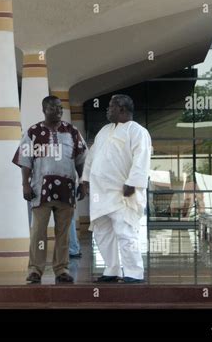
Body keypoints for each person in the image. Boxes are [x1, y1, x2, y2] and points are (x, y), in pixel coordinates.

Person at [13, 95, 87, 284]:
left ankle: (61, 269)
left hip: (67, 189)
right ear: (44, 109)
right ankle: (35, 270)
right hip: (40, 190)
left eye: (60, 108)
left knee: (63, 233)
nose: (59, 111)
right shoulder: (34, 132)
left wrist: (84, 183)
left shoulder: (72, 131)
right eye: (54, 108)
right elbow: (25, 161)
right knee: (38, 231)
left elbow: (81, 160)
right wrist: (25, 184)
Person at [81, 94, 151, 284]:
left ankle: (133, 273)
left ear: (121, 109)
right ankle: (112, 270)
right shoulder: (104, 130)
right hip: (100, 194)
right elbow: (92, 156)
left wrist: (132, 183)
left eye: (111, 106)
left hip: (122, 192)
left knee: (125, 233)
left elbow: (141, 160)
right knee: (102, 233)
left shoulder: (137, 131)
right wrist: (85, 179)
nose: (107, 109)